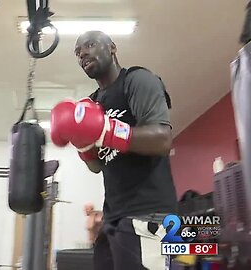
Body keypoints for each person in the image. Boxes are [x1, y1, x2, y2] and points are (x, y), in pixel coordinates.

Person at [50, 31, 178, 270]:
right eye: (77, 52)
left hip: (149, 214)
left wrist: (106, 130)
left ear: (112, 48)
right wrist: (84, 146)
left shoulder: (137, 80)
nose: (83, 54)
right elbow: (97, 166)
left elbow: (162, 140)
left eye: (90, 45)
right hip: (113, 220)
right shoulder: (93, 103)